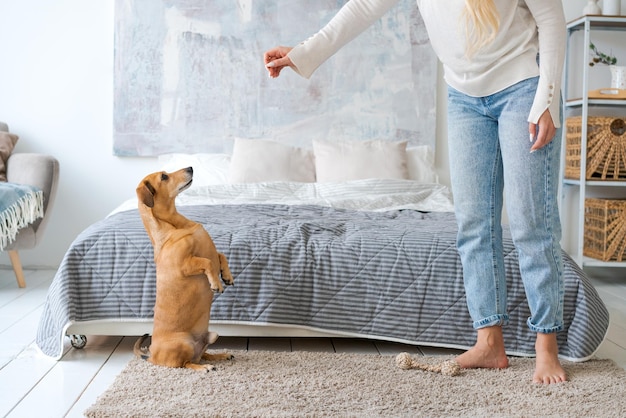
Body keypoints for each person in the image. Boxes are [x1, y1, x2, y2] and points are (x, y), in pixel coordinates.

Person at [264, 0, 567, 384]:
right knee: (474, 223)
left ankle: (546, 346)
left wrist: (547, 99)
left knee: (530, 223)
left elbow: (551, 19)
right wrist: (303, 53)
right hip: (463, 96)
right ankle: (489, 342)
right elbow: (362, 7)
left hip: (523, 87)